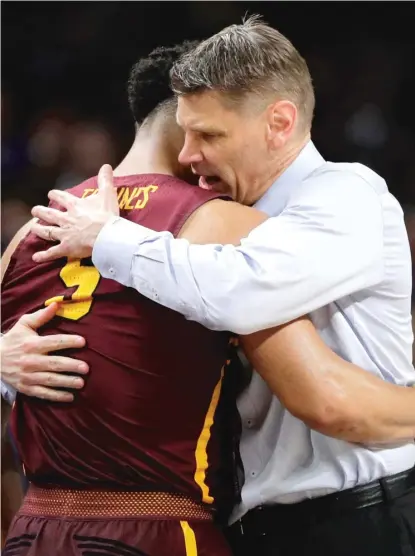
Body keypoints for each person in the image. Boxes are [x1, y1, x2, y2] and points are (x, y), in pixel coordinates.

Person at [29, 16, 415, 556]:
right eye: (185, 132)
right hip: (251, 524)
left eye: (208, 135)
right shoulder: (219, 213)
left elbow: (239, 295)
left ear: (279, 123)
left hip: (359, 517)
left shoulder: (344, 195)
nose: (186, 155)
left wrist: (109, 239)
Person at [1, 41, 268, 556]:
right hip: (154, 527)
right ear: (195, 115)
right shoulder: (221, 221)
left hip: (32, 531)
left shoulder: (31, 230)